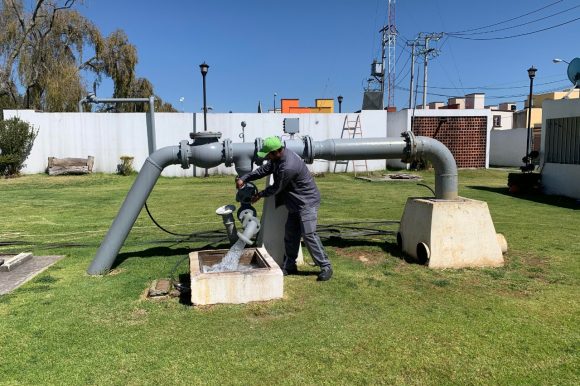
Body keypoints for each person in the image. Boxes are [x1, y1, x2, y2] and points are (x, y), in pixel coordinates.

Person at [236, 136, 333, 281]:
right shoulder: (277, 159)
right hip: (294, 203)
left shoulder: (288, 166)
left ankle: (326, 266)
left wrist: (259, 195)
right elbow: (263, 170)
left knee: (309, 235)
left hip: (306, 202)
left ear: (276, 152)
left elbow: (277, 188)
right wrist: (245, 178)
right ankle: (289, 266)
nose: (267, 157)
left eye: (268, 154)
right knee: (290, 235)